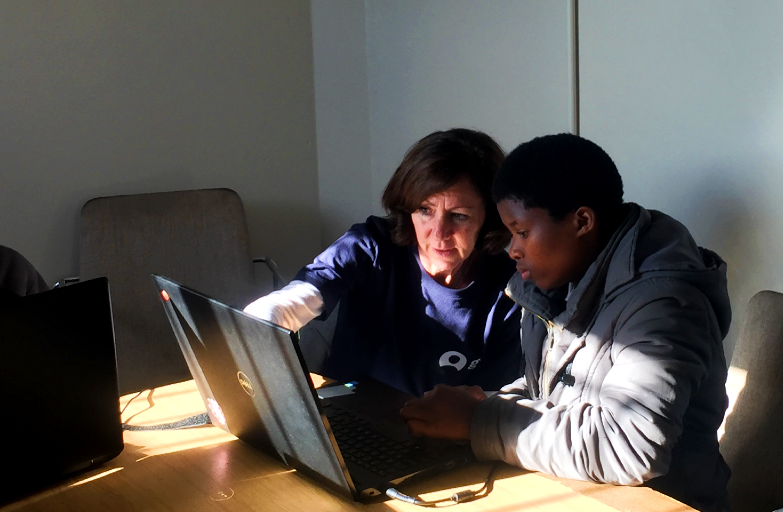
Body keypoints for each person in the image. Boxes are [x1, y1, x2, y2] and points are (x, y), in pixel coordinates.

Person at [399, 133, 732, 512]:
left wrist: (479, 420)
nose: (514, 250)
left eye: (522, 232)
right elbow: (557, 390)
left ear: (582, 221)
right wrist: (483, 403)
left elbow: (631, 446)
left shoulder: (666, 306)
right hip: (580, 492)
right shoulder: (571, 280)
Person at [244, 128, 522, 397]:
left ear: (490, 218)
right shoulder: (371, 245)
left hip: (438, 438)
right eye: (425, 210)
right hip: (346, 421)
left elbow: (488, 404)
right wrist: (263, 324)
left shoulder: (510, 289)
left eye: (459, 216)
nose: (438, 233)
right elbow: (301, 296)